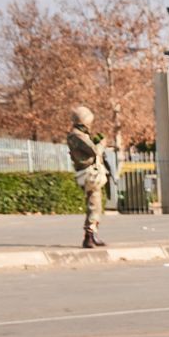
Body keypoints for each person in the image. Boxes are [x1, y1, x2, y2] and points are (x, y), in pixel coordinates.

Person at [66, 106, 109, 249]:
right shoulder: (77, 135)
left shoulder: (77, 134)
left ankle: (93, 234)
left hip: (88, 172)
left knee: (96, 203)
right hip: (88, 173)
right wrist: (102, 144)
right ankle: (89, 237)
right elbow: (94, 151)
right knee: (93, 204)